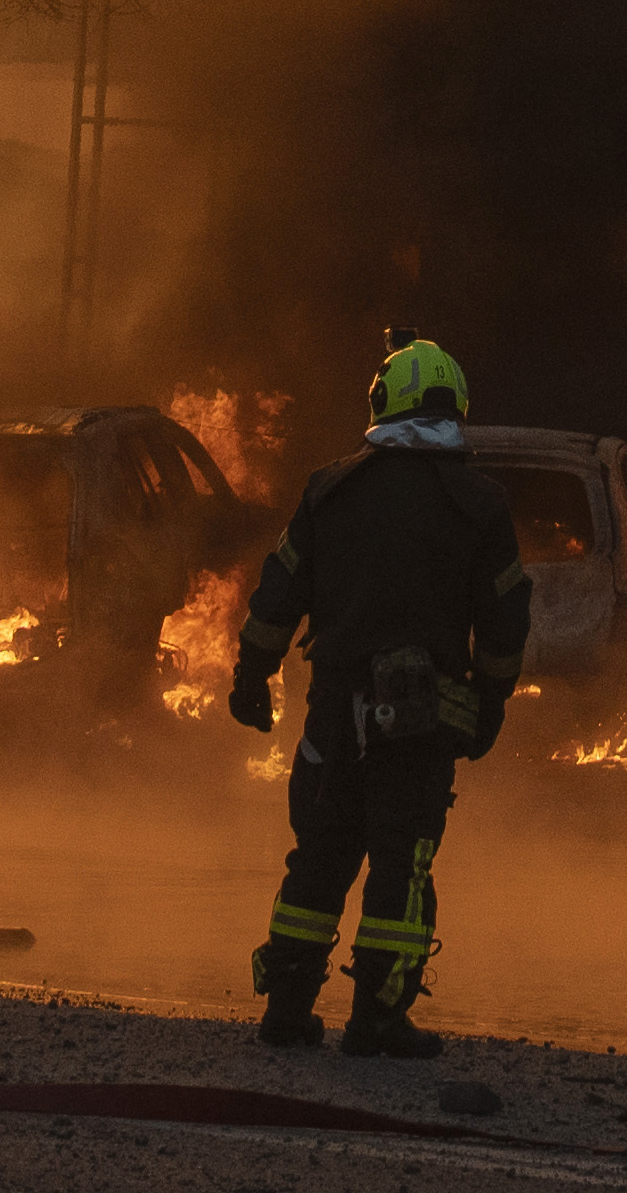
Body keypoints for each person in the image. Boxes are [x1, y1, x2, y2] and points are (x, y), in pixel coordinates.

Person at [225, 336, 532, 1057]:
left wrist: (251, 675)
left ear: (383, 404)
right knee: (402, 865)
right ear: (455, 408)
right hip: (421, 726)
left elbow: (279, 591)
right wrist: (491, 702)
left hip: (332, 713)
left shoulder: (329, 490)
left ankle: (287, 1010)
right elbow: (503, 620)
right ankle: (377, 1020)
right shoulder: (479, 504)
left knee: (320, 854)